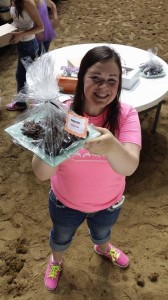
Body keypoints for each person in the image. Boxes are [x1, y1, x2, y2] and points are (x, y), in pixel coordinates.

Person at [32, 45, 142, 291]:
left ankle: (102, 248)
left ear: (119, 84)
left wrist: (112, 145)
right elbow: (41, 173)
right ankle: (56, 260)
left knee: (102, 232)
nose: (104, 87)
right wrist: (56, 143)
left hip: (109, 203)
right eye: (95, 78)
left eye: (112, 80)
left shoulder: (126, 115)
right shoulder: (59, 113)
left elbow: (129, 166)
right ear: (81, 78)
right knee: (60, 238)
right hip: (64, 202)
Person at [6, 0, 44, 111]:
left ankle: (21, 103)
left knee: (22, 75)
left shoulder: (27, 2)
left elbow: (40, 27)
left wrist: (21, 34)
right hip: (21, 43)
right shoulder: (14, 0)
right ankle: (32, 100)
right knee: (27, 74)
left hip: (28, 44)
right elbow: (17, 21)